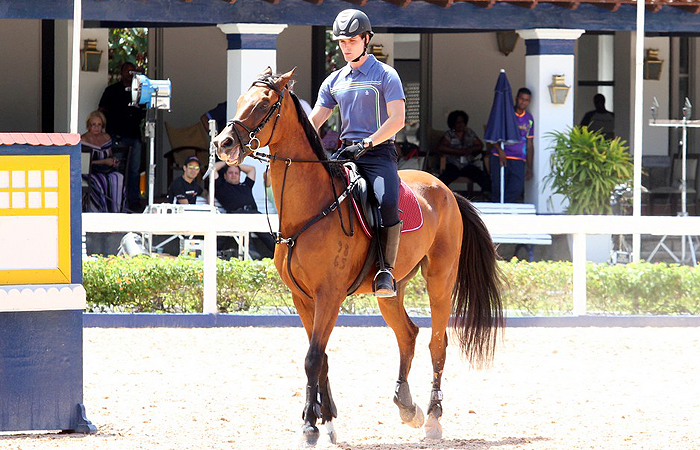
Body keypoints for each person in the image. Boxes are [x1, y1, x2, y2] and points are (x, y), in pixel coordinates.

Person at [309, 9, 406, 297]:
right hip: (345, 153)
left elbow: (397, 120)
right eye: (341, 42)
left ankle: (385, 271)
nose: (346, 47)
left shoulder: (386, 75)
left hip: (377, 154)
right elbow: (315, 121)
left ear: (366, 39)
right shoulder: (334, 81)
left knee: (387, 201)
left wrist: (366, 143)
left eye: (351, 40)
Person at [99, 62, 145, 212]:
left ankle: (133, 201)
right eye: (127, 71)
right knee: (116, 168)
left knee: (134, 170)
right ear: (121, 72)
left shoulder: (139, 92)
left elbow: (145, 110)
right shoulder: (111, 90)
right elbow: (101, 110)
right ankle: (117, 201)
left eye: (133, 71)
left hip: (134, 135)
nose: (129, 74)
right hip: (116, 135)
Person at [214, 162, 275, 258]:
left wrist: (235, 165)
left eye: (236, 173)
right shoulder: (221, 186)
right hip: (237, 216)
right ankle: (252, 257)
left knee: (269, 236)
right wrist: (227, 163)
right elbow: (213, 169)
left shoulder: (246, 185)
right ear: (225, 175)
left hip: (254, 214)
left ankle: (278, 254)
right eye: (230, 173)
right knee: (247, 240)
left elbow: (252, 169)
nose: (234, 175)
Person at [490, 87, 534, 203]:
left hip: (518, 159)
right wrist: (500, 151)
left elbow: (529, 144)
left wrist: (530, 167)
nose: (523, 102)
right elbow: (492, 135)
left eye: (526, 100)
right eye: (521, 99)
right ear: (516, 98)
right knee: (498, 188)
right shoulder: (505, 115)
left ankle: (504, 209)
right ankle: (496, 212)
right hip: (499, 157)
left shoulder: (529, 119)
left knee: (516, 188)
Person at [437, 110, 491, 197]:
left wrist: (470, 150)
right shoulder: (449, 134)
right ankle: (439, 195)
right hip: (453, 163)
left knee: (481, 176)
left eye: (462, 122)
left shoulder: (469, 133)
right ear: (453, 123)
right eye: (458, 122)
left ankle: (487, 194)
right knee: (445, 177)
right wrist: (457, 152)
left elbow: (480, 145)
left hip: (467, 164)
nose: (461, 124)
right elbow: (441, 147)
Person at [81, 110, 125, 213]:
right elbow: (83, 162)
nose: (96, 127)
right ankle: (99, 211)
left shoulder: (106, 137)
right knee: (100, 181)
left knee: (118, 177)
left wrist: (113, 161)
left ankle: (116, 211)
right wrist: (103, 162)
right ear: (88, 125)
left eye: (99, 125)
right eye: (93, 125)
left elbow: (109, 155)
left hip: (106, 170)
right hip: (89, 171)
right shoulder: (83, 139)